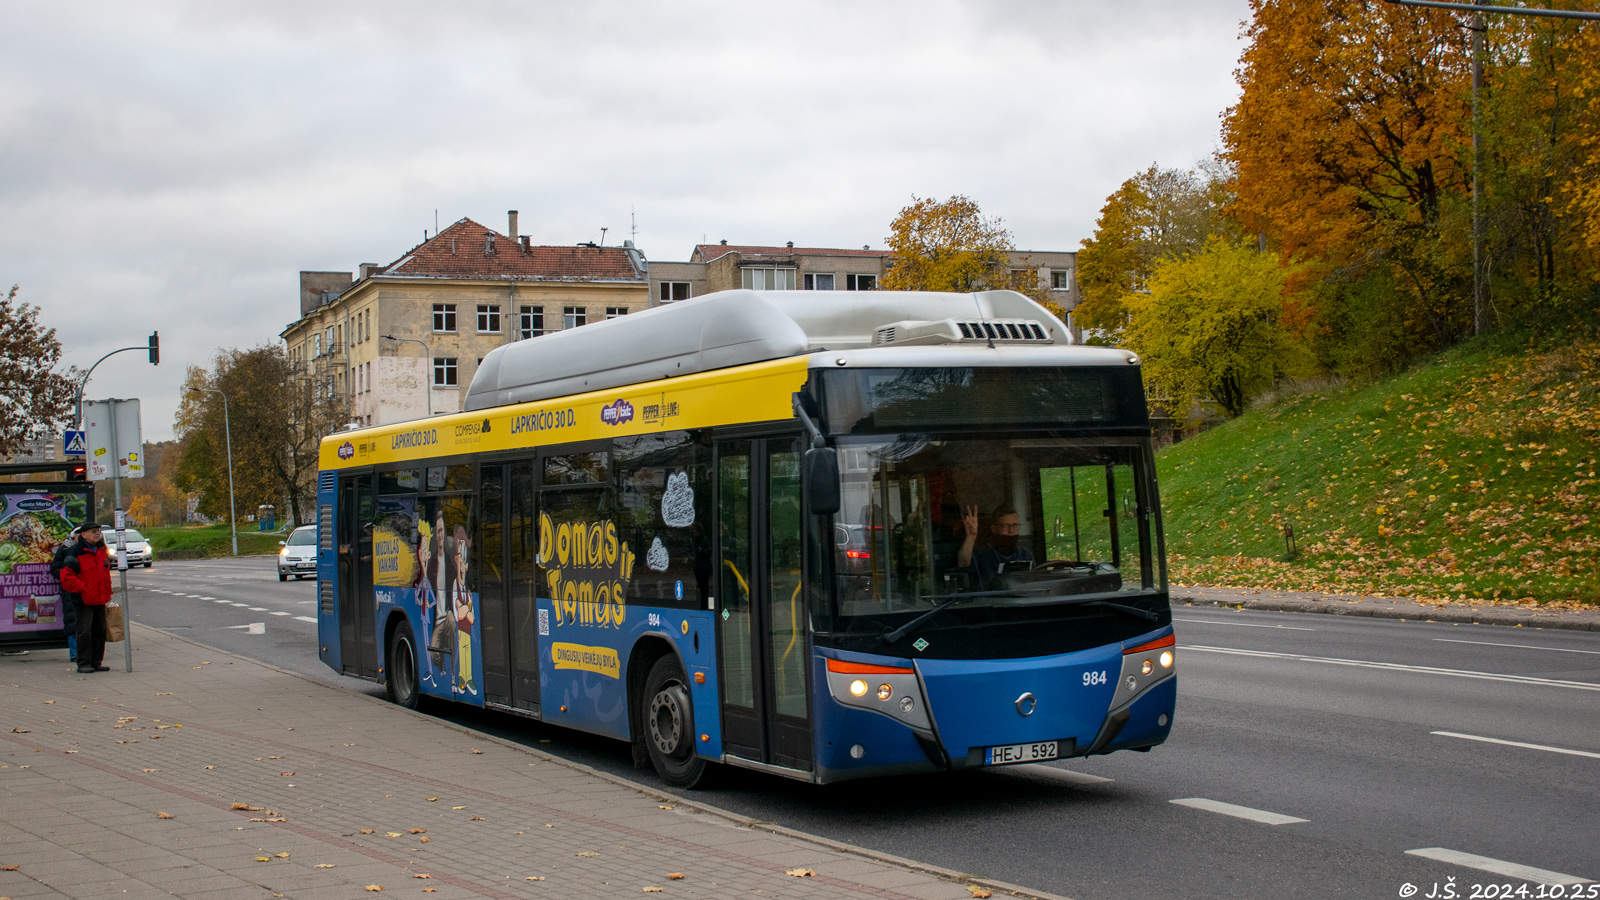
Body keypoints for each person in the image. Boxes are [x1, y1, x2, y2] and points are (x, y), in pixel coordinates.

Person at [58, 522, 113, 674]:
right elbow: (67, 576)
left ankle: (97, 662)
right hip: (83, 600)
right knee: (84, 632)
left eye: (98, 531)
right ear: (84, 535)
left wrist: (107, 592)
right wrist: (83, 589)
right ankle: (83, 663)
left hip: (100, 598)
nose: (97, 533)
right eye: (94, 531)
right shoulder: (75, 551)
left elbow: (105, 571)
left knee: (100, 631)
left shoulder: (101, 549)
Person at [957, 504, 1035, 587]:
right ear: (994, 528)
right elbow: (963, 564)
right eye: (1005, 526)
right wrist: (971, 536)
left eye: (1015, 525)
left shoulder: (1025, 554)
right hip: (990, 599)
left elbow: (1034, 583)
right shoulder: (982, 554)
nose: (1011, 530)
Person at [50, 525, 84, 663]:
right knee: (72, 621)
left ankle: (88, 651)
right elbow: (55, 568)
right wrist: (67, 577)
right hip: (70, 590)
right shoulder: (65, 549)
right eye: (79, 536)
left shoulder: (92, 549)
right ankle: (75, 653)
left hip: (88, 589)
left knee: (88, 622)